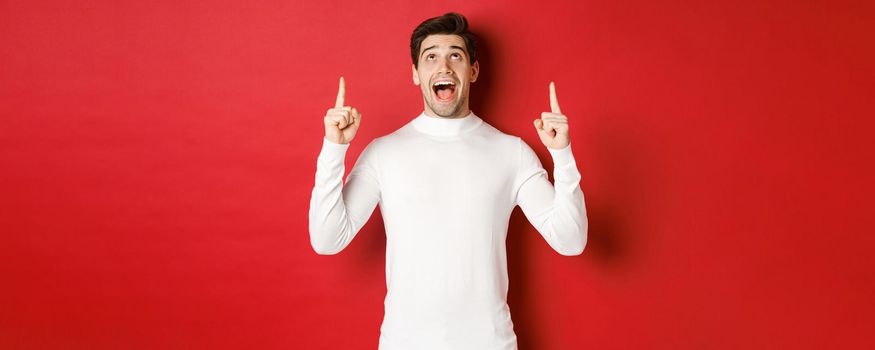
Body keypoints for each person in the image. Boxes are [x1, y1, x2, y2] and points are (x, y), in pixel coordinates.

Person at [308, 12, 588, 350]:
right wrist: (333, 149)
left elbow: (571, 241)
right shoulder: (383, 153)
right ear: (416, 73)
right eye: (431, 57)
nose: (444, 66)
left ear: (473, 71)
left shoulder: (511, 153)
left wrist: (563, 156)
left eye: (455, 55)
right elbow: (326, 239)